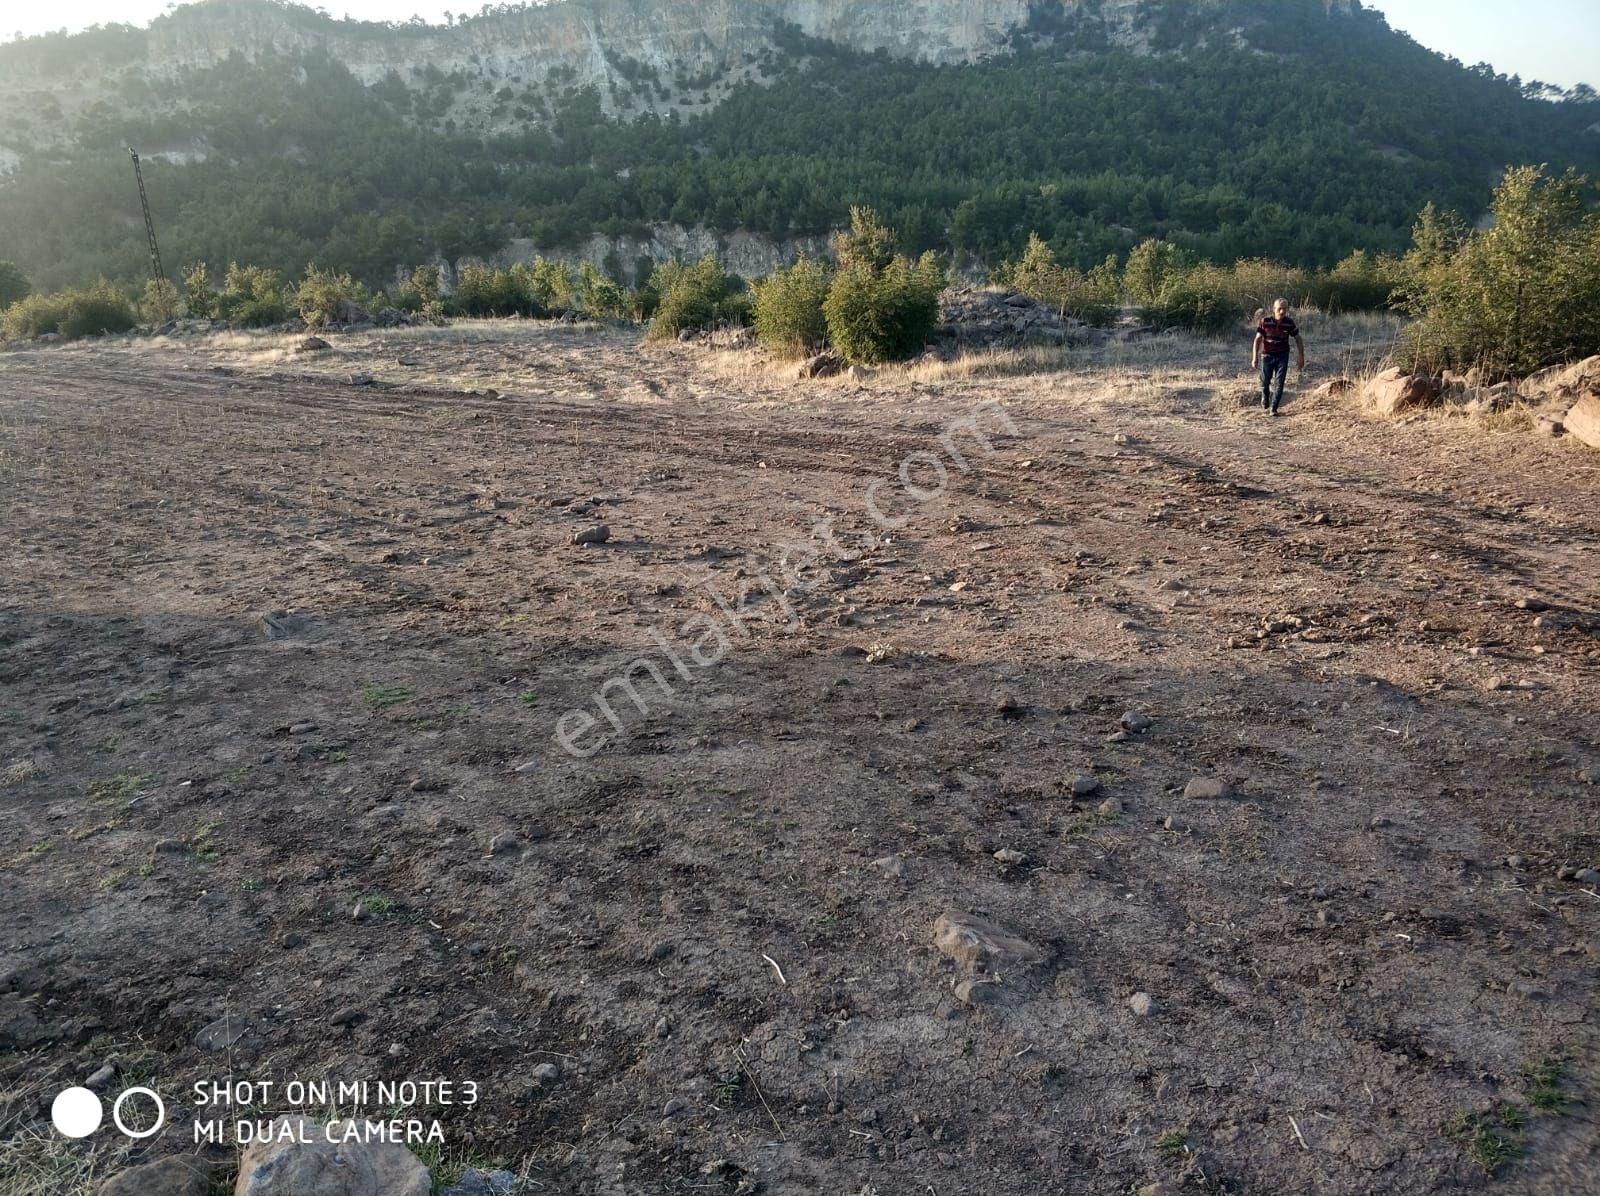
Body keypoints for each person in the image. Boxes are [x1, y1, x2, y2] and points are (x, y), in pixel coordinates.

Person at [1251, 298, 1305, 416]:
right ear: (1274, 309)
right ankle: (1265, 396)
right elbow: (1258, 339)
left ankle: (1274, 408)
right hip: (1267, 355)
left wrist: (1301, 355)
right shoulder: (1265, 322)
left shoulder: (1289, 323)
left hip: (1282, 356)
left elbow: (1298, 338)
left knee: (1280, 383)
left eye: (1284, 309)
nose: (1282, 311)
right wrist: (1255, 357)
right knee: (1265, 382)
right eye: (1279, 308)